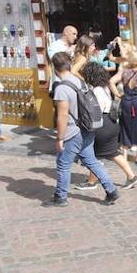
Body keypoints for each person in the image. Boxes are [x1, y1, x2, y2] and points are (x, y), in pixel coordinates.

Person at [46, 51, 119, 207]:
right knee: (91, 161)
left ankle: (60, 197)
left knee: (63, 164)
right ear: (70, 64)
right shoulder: (80, 81)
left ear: (54, 67)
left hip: (73, 132)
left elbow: (63, 115)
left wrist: (60, 138)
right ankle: (111, 190)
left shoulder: (62, 88)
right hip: (88, 127)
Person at [79, 61, 137, 190]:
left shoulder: (95, 91)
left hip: (102, 124)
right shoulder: (104, 88)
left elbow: (96, 110)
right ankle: (131, 176)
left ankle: (92, 181)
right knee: (112, 153)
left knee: (93, 154)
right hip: (111, 123)